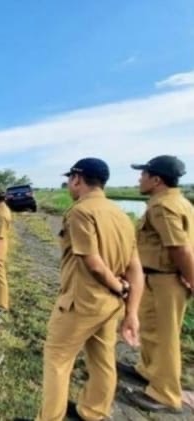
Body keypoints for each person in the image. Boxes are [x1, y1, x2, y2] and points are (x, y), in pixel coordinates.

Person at [17, 158, 144, 421]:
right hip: (109, 307)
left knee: (57, 359)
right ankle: (93, 412)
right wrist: (130, 310)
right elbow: (135, 268)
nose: (68, 185)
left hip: (81, 302)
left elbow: (93, 262)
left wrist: (118, 287)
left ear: (78, 178)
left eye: (69, 180)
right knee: (102, 359)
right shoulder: (121, 214)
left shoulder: (80, 212)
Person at [119, 155, 194, 413]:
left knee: (164, 337)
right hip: (160, 277)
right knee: (151, 331)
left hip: (164, 278)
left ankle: (165, 395)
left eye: (143, 174)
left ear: (156, 179)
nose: (139, 179)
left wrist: (192, 277)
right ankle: (149, 371)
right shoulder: (178, 201)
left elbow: (179, 247)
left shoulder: (163, 206)